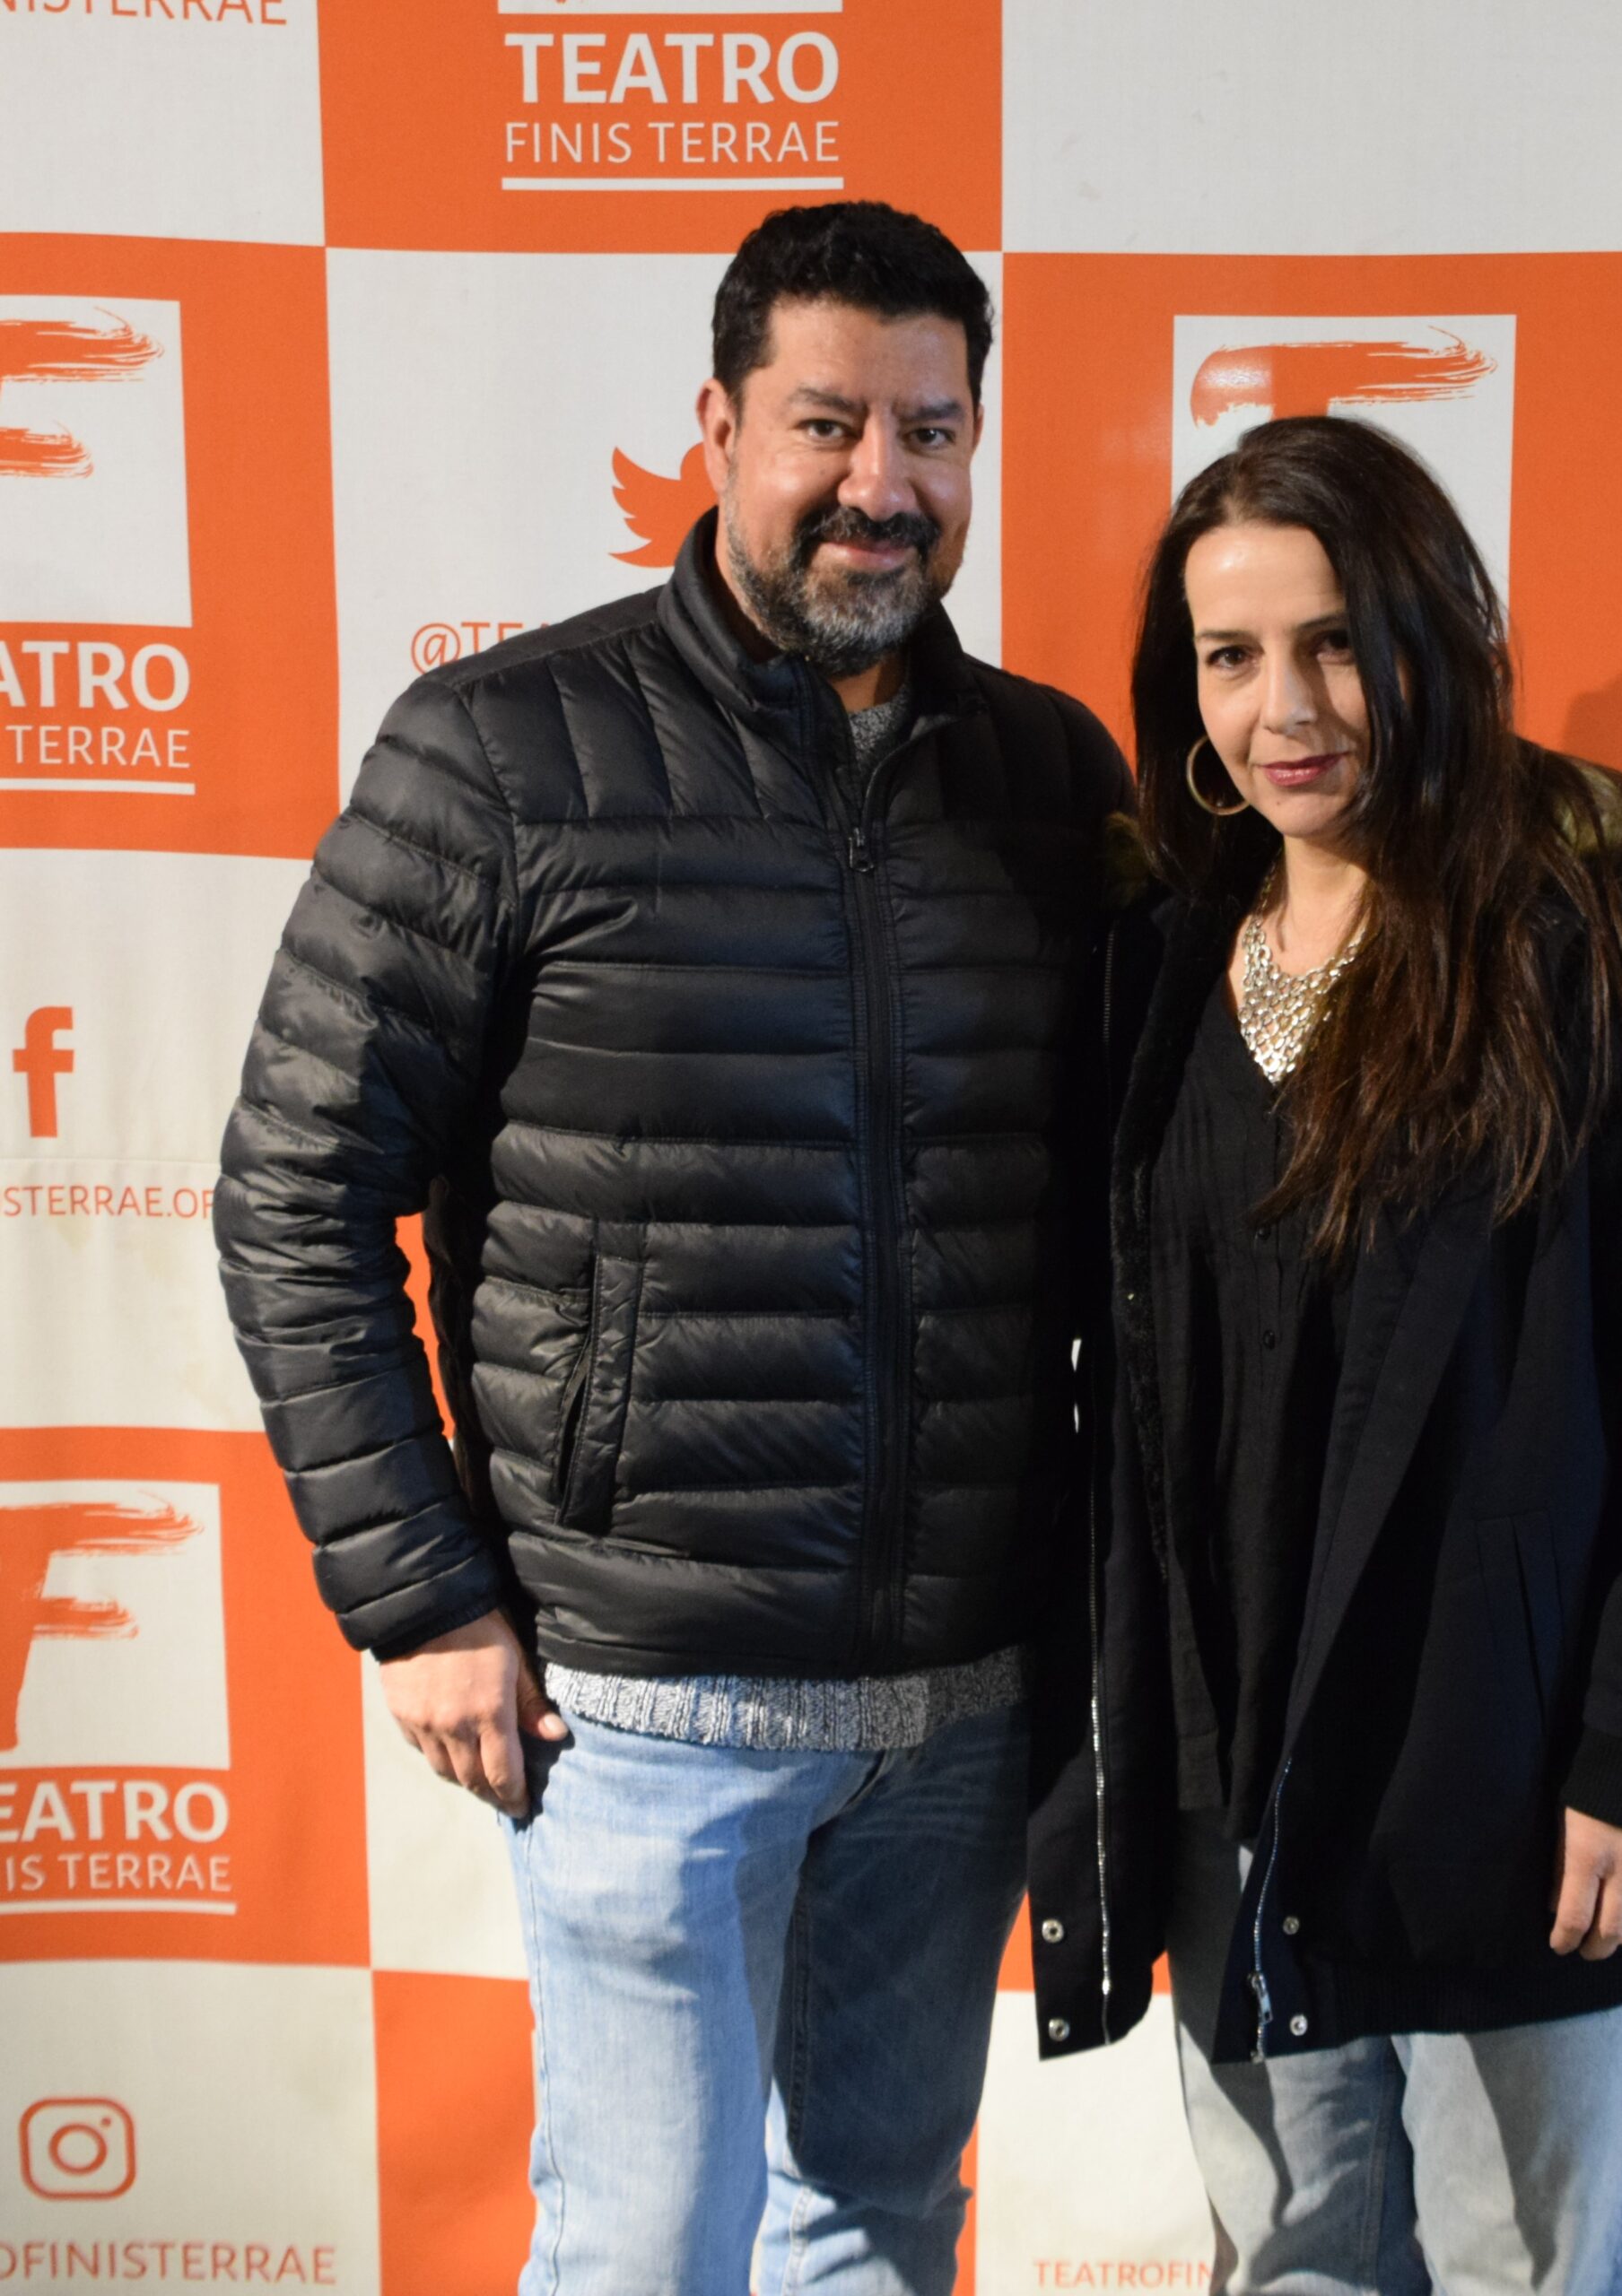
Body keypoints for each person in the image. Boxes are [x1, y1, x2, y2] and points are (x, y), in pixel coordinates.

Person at [216, 201, 1129, 2295]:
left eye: (930, 430)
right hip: (645, 1702)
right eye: (827, 423)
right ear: (717, 428)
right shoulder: (500, 752)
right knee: (644, 2248)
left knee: (880, 2226)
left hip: (963, 1696)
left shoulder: (1049, 775)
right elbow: (293, 1192)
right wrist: (421, 1594)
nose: (881, 484)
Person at [1025, 416, 1622, 2296]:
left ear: (1431, 634)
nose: (1282, 708)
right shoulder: (1161, 956)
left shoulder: (1602, 936)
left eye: (1333, 642)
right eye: (1230, 656)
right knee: (1289, 2258)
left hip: (1521, 1791)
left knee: (1518, 2269)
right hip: (1240, 1792)